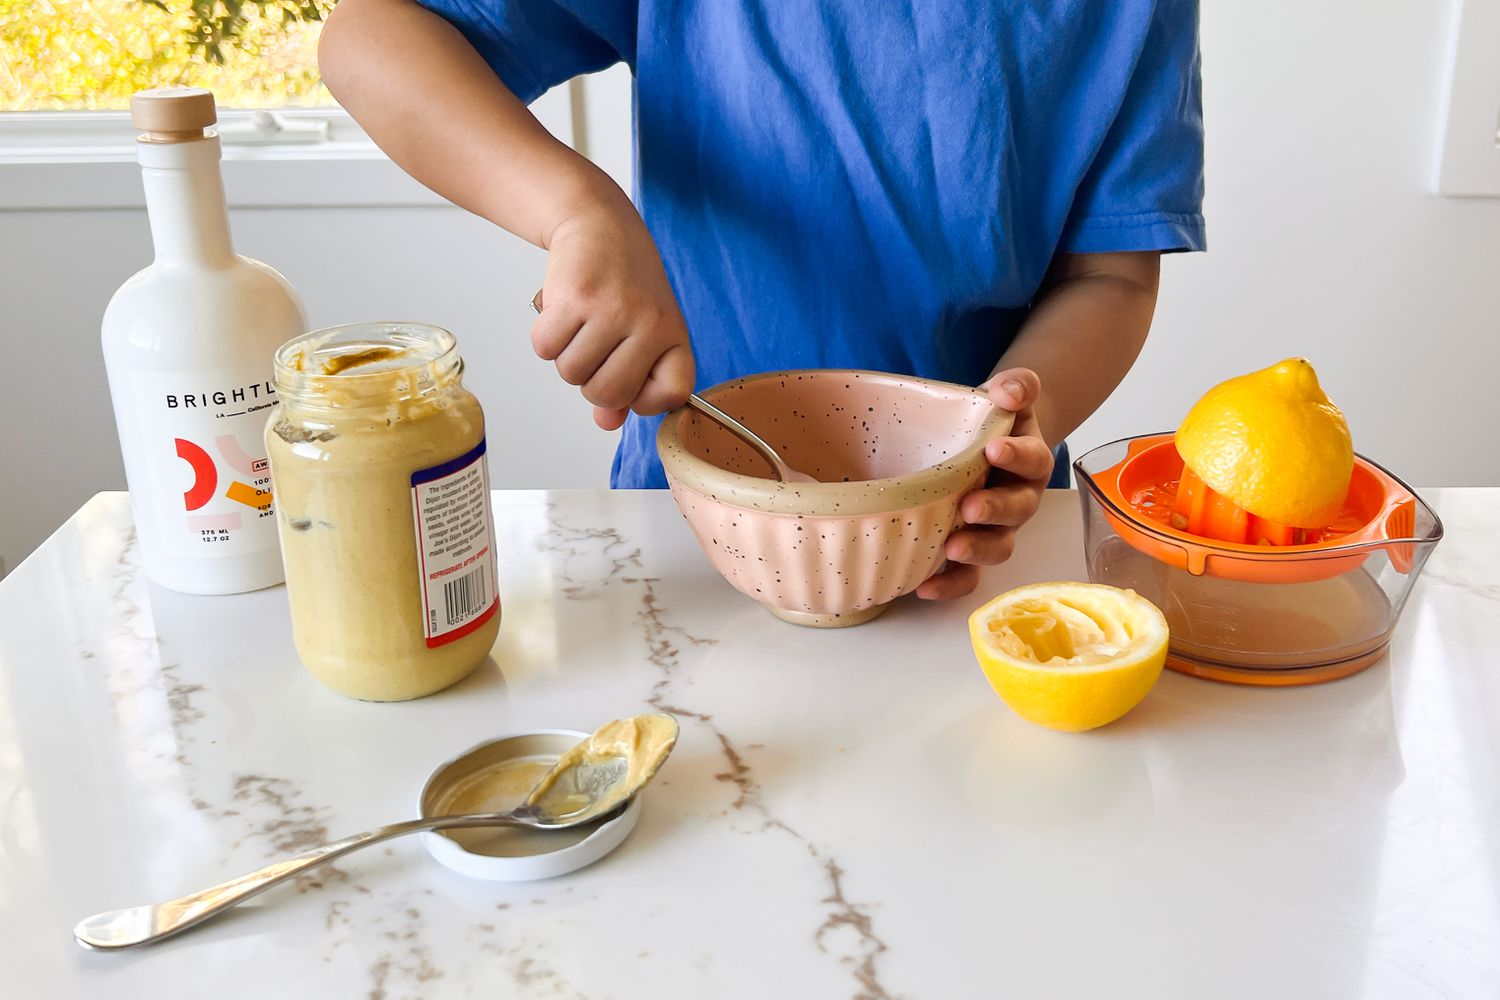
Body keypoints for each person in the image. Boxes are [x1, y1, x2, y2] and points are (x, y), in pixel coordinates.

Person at [318, 1, 1205, 600]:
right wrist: (576, 212)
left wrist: (1017, 415)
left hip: (978, 539)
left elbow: (1110, 275)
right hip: (689, 532)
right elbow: (370, 34)